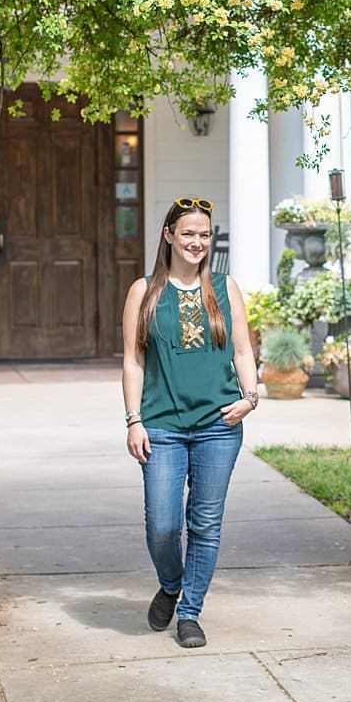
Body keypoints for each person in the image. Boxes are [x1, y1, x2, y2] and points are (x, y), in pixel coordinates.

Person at [122, 197, 260, 648]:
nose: (197, 242)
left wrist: (251, 397)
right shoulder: (143, 291)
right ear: (169, 235)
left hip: (219, 424)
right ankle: (170, 582)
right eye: (188, 234)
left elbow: (242, 350)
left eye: (204, 235)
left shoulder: (225, 288)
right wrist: (133, 420)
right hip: (161, 425)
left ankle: (189, 611)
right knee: (162, 524)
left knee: (205, 522)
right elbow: (133, 361)